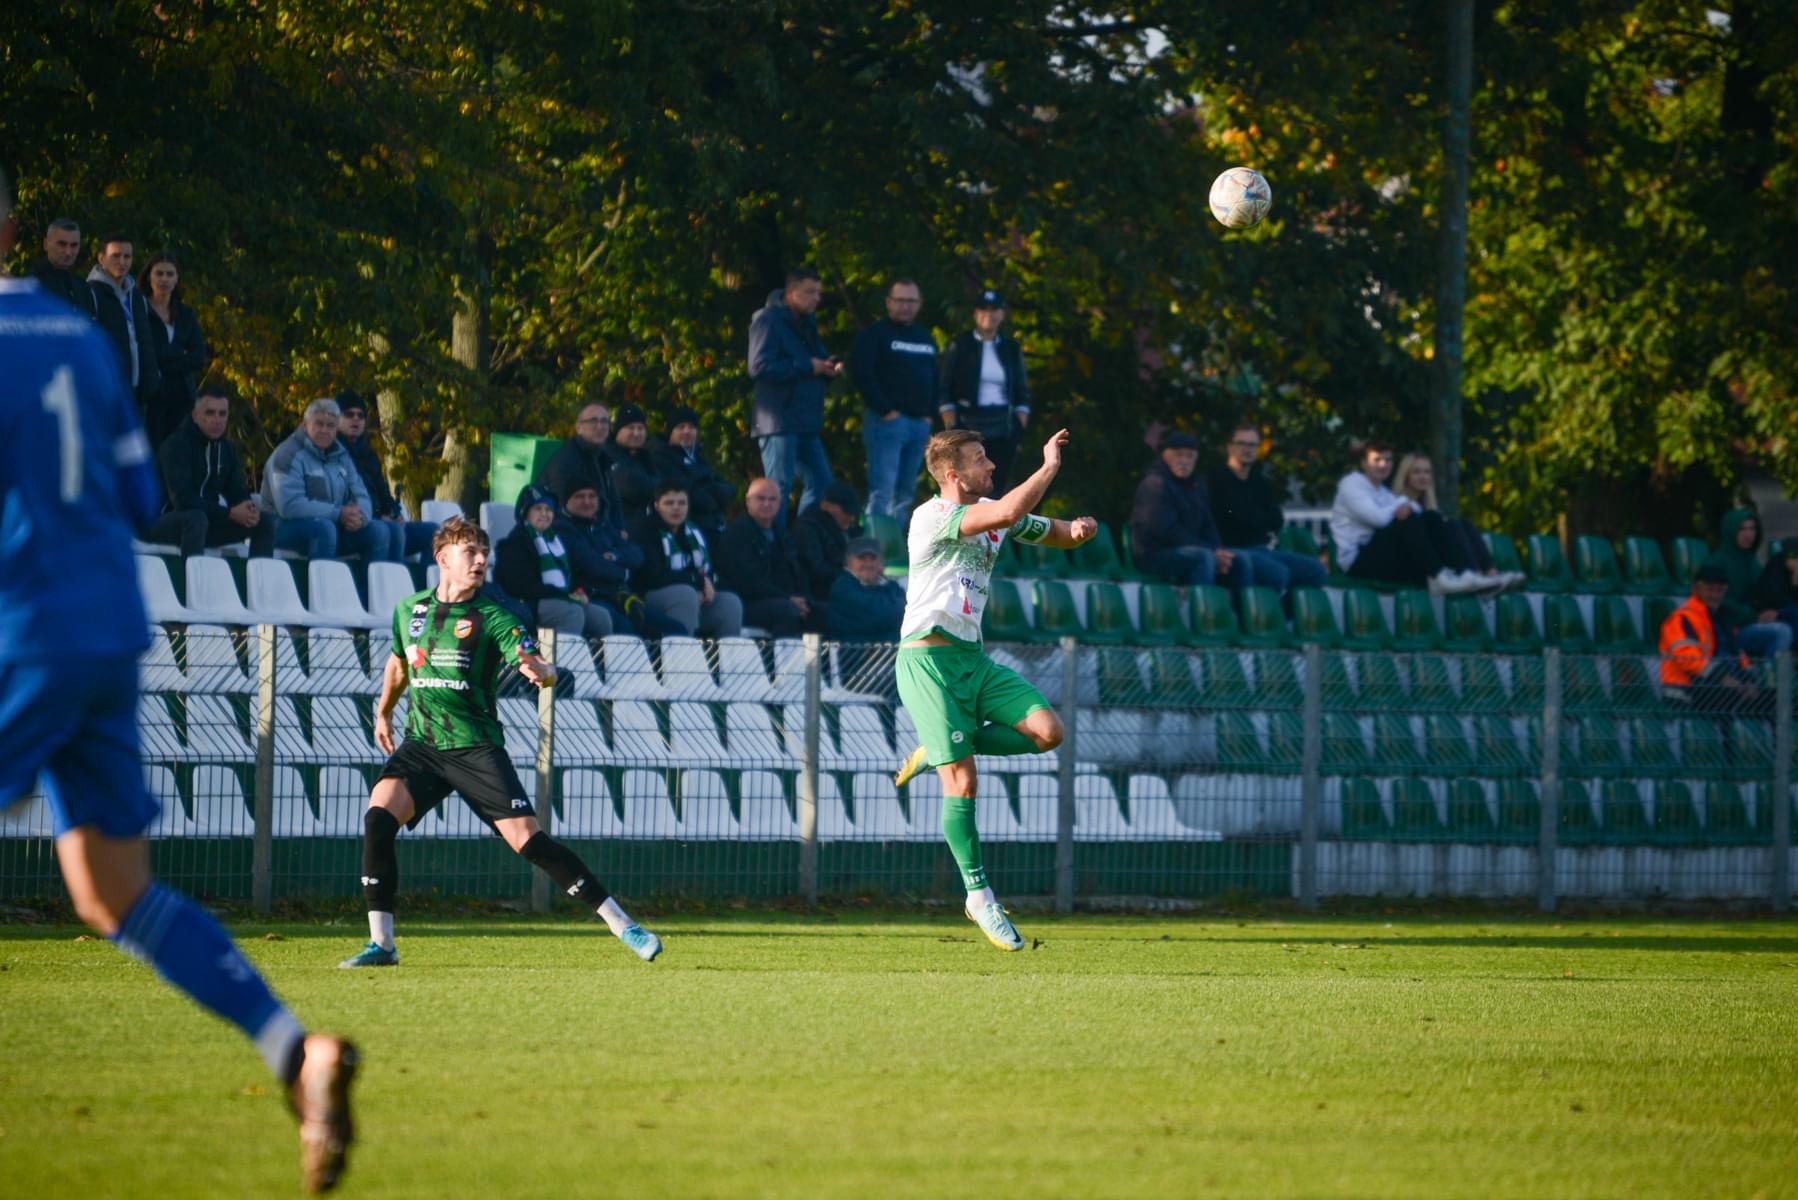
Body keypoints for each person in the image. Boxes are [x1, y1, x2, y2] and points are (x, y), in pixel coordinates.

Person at [0, 173, 357, 1194]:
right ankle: (296, 1051)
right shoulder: (74, 336)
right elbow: (131, 494)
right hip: (109, 628)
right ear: (21, 233)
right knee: (110, 892)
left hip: (25, 628)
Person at [340, 517, 662, 968]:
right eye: (470, 551)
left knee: (530, 843)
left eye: (483, 552)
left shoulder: (493, 616)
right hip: (423, 745)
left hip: (475, 748)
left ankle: (622, 923)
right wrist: (384, 711)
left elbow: (535, 662)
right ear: (442, 558)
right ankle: (383, 944)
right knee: (378, 818)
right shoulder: (409, 610)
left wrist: (543, 673)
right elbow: (399, 664)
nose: (480, 560)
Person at [891, 428, 1097, 953]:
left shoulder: (992, 510)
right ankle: (979, 896)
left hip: (973, 661)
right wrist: (1049, 466)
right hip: (927, 661)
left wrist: (1073, 530)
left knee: (1048, 732)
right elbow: (1008, 514)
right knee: (962, 781)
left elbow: (1040, 528)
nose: (991, 464)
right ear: (953, 474)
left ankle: (939, 748)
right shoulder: (933, 517)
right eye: (980, 459)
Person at [1329, 440, 1487, 594]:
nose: (1384, 464)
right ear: (1364, 463)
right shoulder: (1351, 484)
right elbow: (1377, 519)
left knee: (1434, 518)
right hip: (1356, 562)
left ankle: (1469, 573)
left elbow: (1419, 516)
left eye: (1388, 460)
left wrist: (1417, 511)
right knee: (1408, 521)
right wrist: (1403, 503)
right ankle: (1438, 577)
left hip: (1382, 556)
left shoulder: (1383, 493)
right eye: (1377, 460)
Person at [748, 266, 839, 524]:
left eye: (819, 293)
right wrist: (809, 366)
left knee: (822, 484)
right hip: (777, 420)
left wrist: (829, 367)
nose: (816, 298)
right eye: (809, 292)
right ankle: (773, 545)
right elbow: (758, 367)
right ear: (790, 293)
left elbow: (816, 361)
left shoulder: (808, 323)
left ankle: (801, 541)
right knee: (778, 487)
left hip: (805, 419)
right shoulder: (768, 321)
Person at [263, 397, 403, 563]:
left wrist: (360, 517)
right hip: (280, 526)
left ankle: (374, 588)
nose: (324, 430)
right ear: (305, 424)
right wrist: (338, 513)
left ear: (336, 429)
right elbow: (290, 506)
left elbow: (361, 494)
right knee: (324, 529)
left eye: (330, 426)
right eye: (319, 424)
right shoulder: (287, 454)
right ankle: (322, 587)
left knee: (381, 531)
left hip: (333, 523)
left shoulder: (341, 455)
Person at [148, 380, 275, 557]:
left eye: (222, 414)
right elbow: (183, 501)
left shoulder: (226, 449)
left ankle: (261, 582)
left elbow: (236, 491)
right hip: (164, 522)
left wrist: (248, 508)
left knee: (263, 522)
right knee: (195, 519)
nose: (217, 420)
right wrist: (230, 513)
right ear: (195, 415)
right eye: (210, 413)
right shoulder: (175, 446)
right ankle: (193, 583)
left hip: (207, 524)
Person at [1207, 422, 1329, 606]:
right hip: (1233, 550)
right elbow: (1229, 515)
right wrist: (1253, 517)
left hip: (1262, 549)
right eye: (1242, 444)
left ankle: (1278, 616)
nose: (1247, 449)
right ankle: (1255, 622)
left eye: (1252, 445)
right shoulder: (1217, 480)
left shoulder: (1259, 481)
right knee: (1277, 573)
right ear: (1230, 447)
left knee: (1317, 571)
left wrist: (1249, 516)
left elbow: (1276, 519)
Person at [1128, 432, 1257, 596]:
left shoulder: (1196, 485)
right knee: (1202, 558)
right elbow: (1167, 531)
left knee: (1238, 560)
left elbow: (1208, 525)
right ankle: (1203, 615)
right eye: (1179, 455)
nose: (1184, 461)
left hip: (1191, 549)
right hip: (1153, 554)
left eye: (1189, 457)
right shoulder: (1155, 484)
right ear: (1165, 456)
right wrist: (1211, 551)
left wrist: (1218, 550)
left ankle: (1240, 618)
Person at [853, 277, 938, 523]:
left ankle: (893, 550)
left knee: (905, 492)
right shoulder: (874, 334)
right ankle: (873, 550)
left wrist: (928, 415)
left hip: (919, 425)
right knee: (882, 490)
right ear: (889, 302)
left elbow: (935, 377)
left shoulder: (925, 338)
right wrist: (885, 410)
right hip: (886, 423)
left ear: (919, 304)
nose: (905, 306)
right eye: (900, 300)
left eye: (911, 301)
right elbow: (862, 374)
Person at [558, 480, 683, 639]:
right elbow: (591, 566)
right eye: (580, 497)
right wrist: (624, 572)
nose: (587, 501)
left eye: (592, 496)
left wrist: (615, 556)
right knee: (626, 632)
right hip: (591, 596)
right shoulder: (563, 528)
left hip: (619, 596)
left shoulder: (602, 525)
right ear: (567, 501)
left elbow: (636, 554)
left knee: (677, 631)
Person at [495, 484, 614, 638]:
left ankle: (597, 661)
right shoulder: (516, 542)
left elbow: (570, 576)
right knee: (572, 613)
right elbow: (519, 585)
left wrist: (579, 591)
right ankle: (561, 661)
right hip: (528, 602)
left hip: (557, 598)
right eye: (538, 509)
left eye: (549, 510)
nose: (544, 514)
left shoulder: (556, 541)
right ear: (526, 513)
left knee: (601, 617)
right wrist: (560, 594)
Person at [940, 289, 1030, 495]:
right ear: (974, 313)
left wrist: (1019, 422)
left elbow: (1021, 390)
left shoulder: (1010, 348)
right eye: (984, 309)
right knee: (968, 482)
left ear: (1002, 314)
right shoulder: (960, 345)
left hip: (1003, 426)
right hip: (968, 423)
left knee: (997, 484)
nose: (989, 315)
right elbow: (944, 387)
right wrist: (951, 423)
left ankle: (994, 526)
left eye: (994, 310)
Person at [1393, 451, 1522, 590]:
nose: (1423, 477)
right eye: (1416, 472)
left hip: (1432, 559)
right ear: (1405, 476)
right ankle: (1471, 573)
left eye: (1427, 472)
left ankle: (1489, 573)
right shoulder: (1399, 505)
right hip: (1413, 564)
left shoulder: (1426, 506)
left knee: (1463, 523)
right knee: (1444, 522)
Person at [630, 481, 744, 638]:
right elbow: (654, 576)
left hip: (692, 595)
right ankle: (681, 659)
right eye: (669, 503)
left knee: (730, 603)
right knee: (686, 595)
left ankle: (727, 661)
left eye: (682, 503)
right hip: (649, 597)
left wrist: (705, 585)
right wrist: (697, 582)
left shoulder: (694, 532)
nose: (676, 508)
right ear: (657, 506)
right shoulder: (644, 529)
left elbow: (707, 571)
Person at [1659, 564, 1774, 716]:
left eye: (1719, 590)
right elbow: (1687, 659)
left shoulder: (1723, 619)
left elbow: (1740, 657)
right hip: (1688, 690)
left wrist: (1749, 682)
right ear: (1697, 589)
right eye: (1710, 589)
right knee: (1751, 702)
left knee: (1778, 699)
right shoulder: (1682, 618)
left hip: (1722, 688)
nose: (1715, 595)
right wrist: (1723, 678)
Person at [335, 392, 436, 560]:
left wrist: (395, 513)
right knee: (390, 531)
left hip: (383, 521)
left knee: (434, 533)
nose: (355, 419)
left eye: (360, 415)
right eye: (349, 414)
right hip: (355, 526)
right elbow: (345, 496)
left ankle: (435, 586)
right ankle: (390, 585)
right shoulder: (334, 453)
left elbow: (383, 492)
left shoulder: (369, 455)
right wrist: (378, 517)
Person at [714, 477, 818, 638]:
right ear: (748, 501)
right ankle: (784, 663)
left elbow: (798, 570)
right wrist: (789, 599)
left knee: (825, 612)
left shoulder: (782, 534)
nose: (767, 504)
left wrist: (805, 599)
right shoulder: (735, 535)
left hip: (785, 600)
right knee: (788, 612)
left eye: (772, 499)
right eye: (760, 498)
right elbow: (748, 582)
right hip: (747, 603)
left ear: (779, 503)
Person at [138, 251, 207, 450]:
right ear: (149, 275)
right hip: (152, 399)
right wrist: (179, 352)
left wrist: (165, 357)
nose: (164, 279)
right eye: (159, 273)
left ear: (177, 278)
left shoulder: (185, 314)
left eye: (170, 274)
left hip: (183, 398)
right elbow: (147, 354)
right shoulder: (140, 311)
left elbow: (198, 357)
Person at [1703, 509, 1793, 659]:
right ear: (1730, 531)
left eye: (1752, 529)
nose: (1748, 534)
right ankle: (1770, 679)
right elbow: (1714, 602)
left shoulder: (1752, 562)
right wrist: (1754, 616)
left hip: (1755, 621)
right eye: (1742, 529)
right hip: (1731, 630)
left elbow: (1764, 593)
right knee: (1781, 632)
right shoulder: (1715, 563)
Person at [85, 232, 161, 409]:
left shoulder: (137, 296)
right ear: (101, 258)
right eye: (116, 256)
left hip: (138, 393)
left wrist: (151, 382)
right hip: (106, 393)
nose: (122, 262)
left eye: (127, 256)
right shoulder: (90, 294)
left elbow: (145, 341)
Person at [540, 403, 629, 539]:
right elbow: (563, 509)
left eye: (604, 421)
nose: (599, 426)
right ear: (579, 428)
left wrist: (621, 530)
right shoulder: (566, 460)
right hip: (570, 536)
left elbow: (614, 503)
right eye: (593, 421)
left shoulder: (602, 457)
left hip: (602, 534)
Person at [650, 404, 734, 541]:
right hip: (691, 529)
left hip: (717, 524)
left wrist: (712, 491)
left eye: (691, 427)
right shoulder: (660, 458)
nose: (687, 431)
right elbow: (688, 492)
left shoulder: (699, 456)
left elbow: (727, 488)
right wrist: (712, 495)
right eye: (681, 427)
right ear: (670, 432)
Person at [793, 480, 864, 607]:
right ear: (826, 505)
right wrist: (852, 574)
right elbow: (816, 569)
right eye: (846, 512)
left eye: (853, 513)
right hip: (825, 593)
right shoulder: (808, 528)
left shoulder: (852, 530)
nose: (851, 518)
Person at [828, 535, 906, 641]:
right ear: (849, 561)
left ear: (881, 561)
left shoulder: (891, 586)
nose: (868, 564)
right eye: (862, 558)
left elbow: (908, 611)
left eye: (873, 558)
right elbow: (881, 615)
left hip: (890, 653)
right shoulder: (842, 587)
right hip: (853, 655)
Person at [28, 217, 100, 319]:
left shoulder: (83, 288)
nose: (68, 252)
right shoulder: (31, 284)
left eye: (74, 245)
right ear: (46, 244)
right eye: (62, 244)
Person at [607, 403, 660, 517]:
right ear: (617, 430)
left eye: (640, 428)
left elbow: (665, 487)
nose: (636, 433)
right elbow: (635, 488)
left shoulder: (646, 457)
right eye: (630, 428)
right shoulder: (607, 455)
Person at [1748, 539, 1798, 641]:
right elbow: (1773, 596)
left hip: (1787, 611)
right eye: (1792, 555)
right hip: (1770, 611)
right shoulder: (1776, 565)